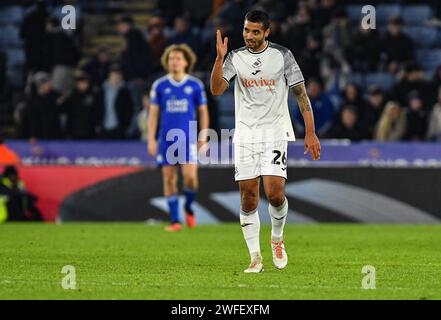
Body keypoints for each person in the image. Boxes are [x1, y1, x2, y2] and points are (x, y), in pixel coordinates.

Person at [210, 10, 321, 273]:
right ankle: (255, 258)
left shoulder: (283, 56)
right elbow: (216, 89)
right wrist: (218, 59)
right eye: (246, 30)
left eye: (255, 31)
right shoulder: (235, 57)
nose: (249, 36)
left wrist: (311, 132)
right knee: (248, 197)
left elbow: (301, 95)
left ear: (266, 33)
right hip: (246, 134)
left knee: (274, 194)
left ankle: (277, 239)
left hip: (274, 131)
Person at [148, 44, 209, 231]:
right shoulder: (160, 85)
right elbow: (153, 114)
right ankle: (175, 220)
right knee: (169, 178)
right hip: (166, 138)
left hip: (188, 138)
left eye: (177, 58)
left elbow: (203, 112)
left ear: (186, 62)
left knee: (190, 177)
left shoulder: (195, 85)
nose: (174, 61)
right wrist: (151, 139)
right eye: (171, 58)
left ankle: (189, 207)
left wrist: (203, 136)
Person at [98, 64, 134, 139]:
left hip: (119, 130)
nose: (116, 76)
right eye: (114, 73)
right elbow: (96, 109)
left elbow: (129, 110)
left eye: (118, 74)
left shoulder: (125, 92)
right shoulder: (101, 91)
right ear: (109, 75)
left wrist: (125, 127)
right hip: (103, 129)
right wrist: (97, 125)